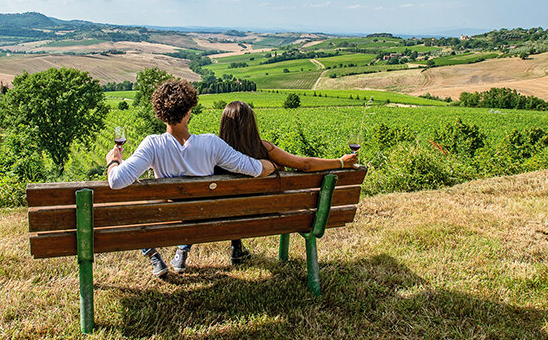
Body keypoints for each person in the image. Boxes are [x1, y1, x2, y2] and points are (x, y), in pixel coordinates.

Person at [106, 80, 275, 277]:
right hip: (200, 218)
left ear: (161, 115)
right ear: (188, 112)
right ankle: (180, 252)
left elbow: (116, 181)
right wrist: (272, 164)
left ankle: (153, 255)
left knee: (137, 209)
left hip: (166, 216)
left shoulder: (152, 145)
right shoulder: (212, 144)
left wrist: (113, 161)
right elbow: (256, 169)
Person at [218, 100, 360, 264]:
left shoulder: (217, 152)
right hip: (270, 215)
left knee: (237, 203)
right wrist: (340, 162)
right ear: (251, 124)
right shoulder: (263, 148)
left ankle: (236, 246)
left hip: (228, 217)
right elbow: (305, 165)